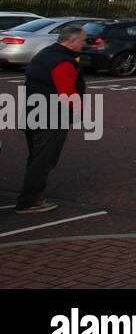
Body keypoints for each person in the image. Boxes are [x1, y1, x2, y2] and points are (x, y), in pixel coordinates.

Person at [15, 24, 86, 214]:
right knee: (43, 161)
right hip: (51, 117)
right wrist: (80, 110)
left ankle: (31, 197)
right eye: (82, 40)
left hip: (33, 112)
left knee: (36, 157)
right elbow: (67, 92)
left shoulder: (44, 54)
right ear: (72, 41)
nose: (84, 44)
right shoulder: (63, 62)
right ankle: (30, 201)